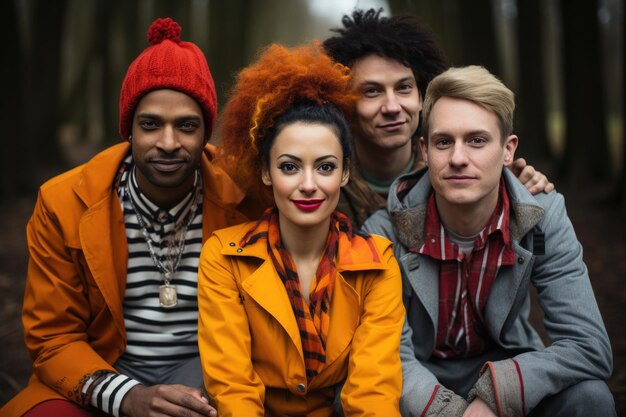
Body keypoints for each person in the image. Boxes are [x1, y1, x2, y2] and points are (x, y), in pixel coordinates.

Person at [1, 18, 258, 417]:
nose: (168, 143)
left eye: (186, 126)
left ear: (206, 133)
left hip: (215, 376)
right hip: (101, 370)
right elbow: (52, 338)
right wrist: (129, 397)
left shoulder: (246, 199)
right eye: (151, 124)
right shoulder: (62, 204)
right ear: (129, 131)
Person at [363, 65, 615, 416]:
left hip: (506, 365)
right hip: (419, 378)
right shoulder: (384, 233)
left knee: (591, 398)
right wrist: (450, 411)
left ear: (508, 150)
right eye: (443, 142)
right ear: (424, 151)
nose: (458, 159)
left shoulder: (543, 219)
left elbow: (589, 346)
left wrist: (497, 392)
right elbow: (389, 354)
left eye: (477, 140)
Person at [198, 43, 405, 416]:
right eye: (290, 167)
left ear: (344, 173)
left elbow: (372, 391)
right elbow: (232, 388)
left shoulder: (378, 263)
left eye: (325, 167)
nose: (308, 185)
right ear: (266, 172)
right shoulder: (223, 255)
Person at [322, 9, 554, 228]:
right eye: (372, 91)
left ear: (422, 96)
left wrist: (514, 189)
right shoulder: (322, 179)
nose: (392, 107)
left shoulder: (457, 170)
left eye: (404, 87)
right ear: (345, 103)